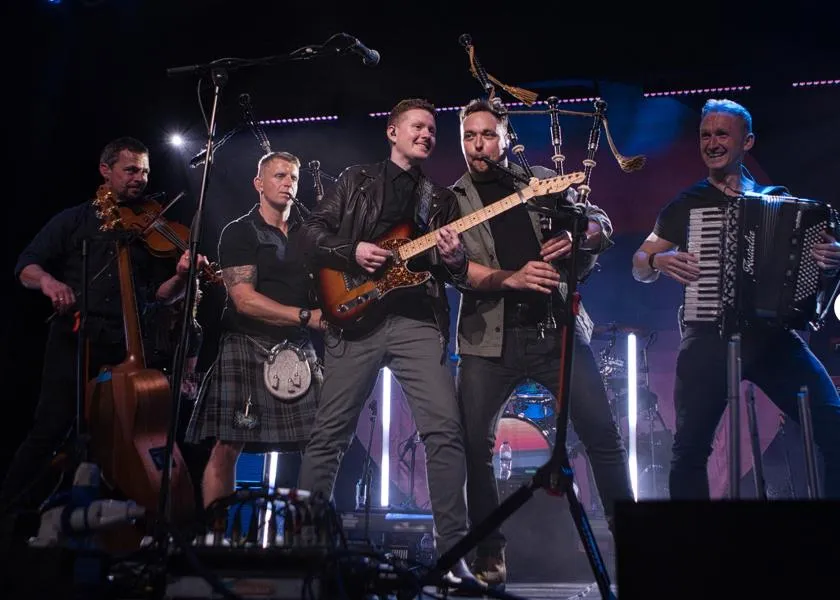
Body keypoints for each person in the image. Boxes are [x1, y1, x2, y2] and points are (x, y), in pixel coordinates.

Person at [447, 98, 633, 587]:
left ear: (506, 138)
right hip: (489, 341)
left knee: (604, 438)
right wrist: (493, 274)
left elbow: (601, 223)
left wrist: (584, 235)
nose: (478, 145)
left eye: (487, 134)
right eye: (469, 136)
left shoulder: (539, 180)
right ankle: (490, 552)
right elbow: (456, 271)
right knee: (473, 444)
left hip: (557, 332)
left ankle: (633, 543)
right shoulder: (452, 200)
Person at [295, 98, 481, 585]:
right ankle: (304, 555)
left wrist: (455, 258)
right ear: (392, 132)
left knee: (445, 432)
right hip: (354, 319)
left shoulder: (440, 200)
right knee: (328, 438)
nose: (427, 134)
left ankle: (451, 555)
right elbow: (308, 234)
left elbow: (451, 271)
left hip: (417, 320)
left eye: (433, 129)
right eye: (417, 126)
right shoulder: (355, 180)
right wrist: (349, 248)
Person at [631, 98, 840, 499]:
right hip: (708, 335)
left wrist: (829, 260)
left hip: (772, 338)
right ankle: (692, 550)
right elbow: (639, 263)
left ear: (747, 142)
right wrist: (660, 259)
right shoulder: (686, 204)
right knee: (689, 450)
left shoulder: (779, 199)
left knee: (833, 427)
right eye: (705, 135)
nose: (711, 142)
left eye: (721, 134)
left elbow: (814, 277)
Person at [1, 136, 202, 515]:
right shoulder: (75, 219)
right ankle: (11, 510)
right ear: (105, 171)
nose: (140, 179)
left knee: (130, 432)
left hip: (130, 343)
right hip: (77, 338)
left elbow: (163, 297)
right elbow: (27, 265)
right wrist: (50, 283)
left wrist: (180, 276)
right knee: (52, 428)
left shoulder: (153, 227)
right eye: (130, 170)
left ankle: (133, 515)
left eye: (145, 171)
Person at [186, 151, 326, 521]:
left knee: (322, 441)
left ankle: (304, 535)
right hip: (247, 344)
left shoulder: (311, 233)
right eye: (279, 176)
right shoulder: (239, 231)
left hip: (297, 347)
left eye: (293, 178)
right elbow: (244, 300)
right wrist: (305, 316)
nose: (287, 183)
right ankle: (216, 535)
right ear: (258, 184)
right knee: (227, 446)